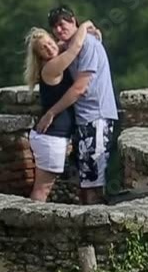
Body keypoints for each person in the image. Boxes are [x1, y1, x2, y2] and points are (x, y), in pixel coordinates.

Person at [36, 5, 119, 205]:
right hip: (84, 120)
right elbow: (63, 48)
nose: (58, 30)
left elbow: (79, 88)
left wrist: (51, 113)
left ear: (73, 21)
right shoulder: (71, 46)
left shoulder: (88, 45)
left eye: (62, 24)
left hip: (96, 118)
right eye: (54, 27)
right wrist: (85, 27)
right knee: (85, 183)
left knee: (93, 183)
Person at [23, 20, 95, 202]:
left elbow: (63, 45)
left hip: (54, 136)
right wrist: (84, 26)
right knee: (42, 188)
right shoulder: (51, 67)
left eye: (49, 42)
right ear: (40, 56)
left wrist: (61, 43)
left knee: (44, 187)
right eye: (43, 48)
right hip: (51, 137)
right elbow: (75, 48)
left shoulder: (54, 59)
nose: (48, 48)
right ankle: (32, 224)